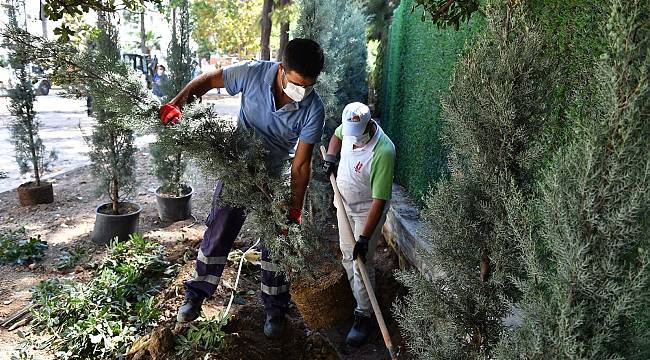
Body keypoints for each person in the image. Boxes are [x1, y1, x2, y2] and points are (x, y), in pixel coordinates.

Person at [158, 39, 325, 338]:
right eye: (298, 84)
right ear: (281, 69)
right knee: (219, 230)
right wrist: (178, 104)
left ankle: (275, 310)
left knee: (278, 242)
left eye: (309, 86)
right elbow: (209, 79)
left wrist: (294, 210)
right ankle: (196, 295)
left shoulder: (313, 109)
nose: (302, 92)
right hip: (238, 167)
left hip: (273, 179)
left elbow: (300, 166)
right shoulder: (252, 73)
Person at [323, 102, 396, 347]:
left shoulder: (383, 151)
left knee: (361, 261)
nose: (352, 140)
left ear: (369, 125)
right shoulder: (349, 127)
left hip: (367, 213)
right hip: (344, 206)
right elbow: (336, 135)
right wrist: (331, 158)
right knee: (347, 257)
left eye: (357, 136)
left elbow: (379, 201)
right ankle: (359, 300)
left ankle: (364, 315)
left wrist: (364, 239)